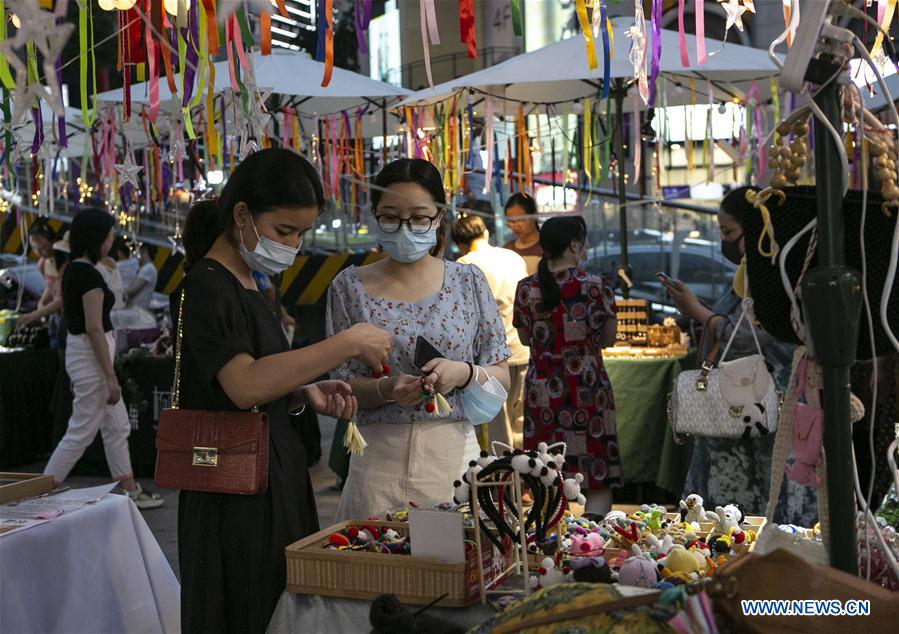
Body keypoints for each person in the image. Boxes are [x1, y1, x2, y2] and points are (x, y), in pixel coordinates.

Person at [174, 148, 391, 633]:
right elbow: (242, 384)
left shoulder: (249, 283)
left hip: (271, 472)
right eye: (284, 231)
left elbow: (257, 376)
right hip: (233, 492)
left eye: (300, 234)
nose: (292, 245)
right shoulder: (207, 286)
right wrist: (346, 342)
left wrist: (302, 392)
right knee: (248, 609)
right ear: (242, 214)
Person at [327, 158, 511, 521]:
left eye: (419, 217)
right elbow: (340, 384)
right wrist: (386, 388)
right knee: (375, 566)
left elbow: (501, 374)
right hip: (376, 460)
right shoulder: (348, 286)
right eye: (391, 217)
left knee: (451, 569)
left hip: (452, 459)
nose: (405, 228)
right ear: (375, 215)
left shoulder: (469, 282)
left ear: (439, 217)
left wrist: (466, 373)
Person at [661, 186, 817, 525]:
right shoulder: (753, 274)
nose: (724, 241)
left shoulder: (773, 279)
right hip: (745, 406)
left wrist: (698, 311)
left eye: (728, 232)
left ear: (756, 231)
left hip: (759, 408)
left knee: (752, 505)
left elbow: (747, 337)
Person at [42, 209, 163, 510]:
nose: (112, 240)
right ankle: (40, 490)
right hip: (93, 359)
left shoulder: (74, 270)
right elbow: (95, 328)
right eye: (109, 234)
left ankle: (130, 488)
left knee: (116, 425)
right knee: (81, 431)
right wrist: (110, 376)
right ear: (97, 237)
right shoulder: (88, 274)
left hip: (86, 357)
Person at [514, 216, 620, 516]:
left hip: (542, 389)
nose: (585, 247)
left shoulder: (525, 289)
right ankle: (591, 539)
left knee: (546, 470)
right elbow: (608, 339)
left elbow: (524, 338)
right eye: (583, 241)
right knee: (596, 475)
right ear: (574, 245)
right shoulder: (597, 286)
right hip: (587, 388)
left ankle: (551, 537)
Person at [452, 214, 529, 449]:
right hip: (522, 346)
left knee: (498, 422)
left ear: (460, 244)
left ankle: (505, 478)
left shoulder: (464, 265)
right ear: (485, 233)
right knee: (523, 417)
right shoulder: (513, 257)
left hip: (492, 358)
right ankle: (529, 477)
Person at [16, 220, 64, 329]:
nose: (39, 252)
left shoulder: (65, 265)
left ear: (52, 242)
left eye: (42, 247)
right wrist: (42, 302)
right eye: (34, 248)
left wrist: (35, 314)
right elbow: (50, 286)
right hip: (55, 318)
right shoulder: (42, 264)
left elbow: (63, 300)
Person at [503, 192, 542, 275]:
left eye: (521, 219)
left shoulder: (545, 248)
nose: (516, 226)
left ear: (534, 216)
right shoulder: (507, 250)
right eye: (511, 221)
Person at [123, 243, 158, 310]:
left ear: (144, 250)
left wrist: (115, 289)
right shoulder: (145, 268)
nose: (135, 254)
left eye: (137, 250)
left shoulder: (148, 269)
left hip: (137, 310)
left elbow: (131, 290)